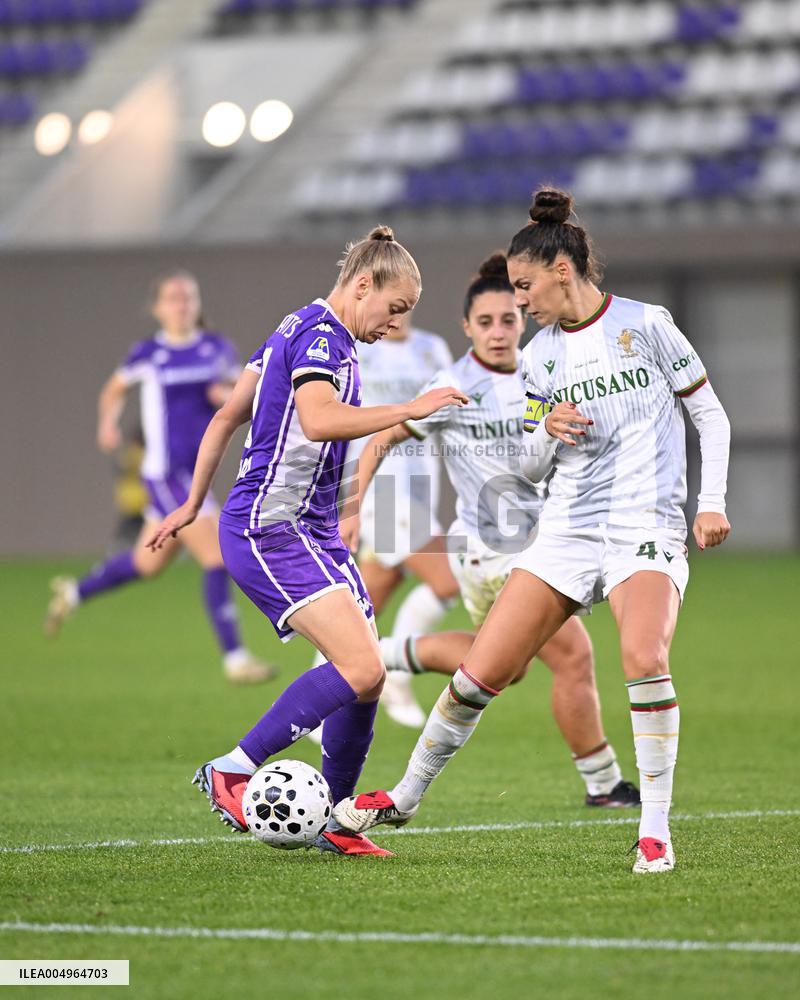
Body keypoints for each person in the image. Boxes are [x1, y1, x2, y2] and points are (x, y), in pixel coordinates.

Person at [333, 190, 732, 874]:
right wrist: (546, 432)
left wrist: (711, 500)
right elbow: (528, 461)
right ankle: (403, 795)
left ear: (561, 270)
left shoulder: (648, 324)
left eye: (525, 288)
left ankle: (655, 830)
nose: (520, 307)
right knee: (482, 673)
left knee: (641, 659)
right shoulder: (540, 358)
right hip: (566, 529)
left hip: (645, 523)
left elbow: (711, 416)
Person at [146, 228, 468, 857]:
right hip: (272, 530)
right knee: (361, 666)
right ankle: (232, 768)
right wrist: (412, 406)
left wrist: (193, 502)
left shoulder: (298, 327)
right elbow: (318, 419)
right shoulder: (321, 337)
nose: (395, 324)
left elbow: (224, 416)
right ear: (363, 284)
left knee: (367, 678)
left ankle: (337, 821)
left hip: (310, 531)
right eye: (395, 307)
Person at [340, 253, 638, 808]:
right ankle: (604, 784)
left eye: (508, 319)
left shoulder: (542, 371)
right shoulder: (455, 384)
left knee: (507, 666)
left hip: (536, 543)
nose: (498, 332)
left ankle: (383, 653)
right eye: (485, 322)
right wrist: (351, 510)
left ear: (522, 319)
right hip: (493, 549)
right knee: (571, 657)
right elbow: (381, 439)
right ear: (467, 328)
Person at [44, 270, 274, 685]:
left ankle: (74, 593)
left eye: (188, 297)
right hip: (166, 474)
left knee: (146, 564)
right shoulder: (148, 353)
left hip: (196, 470)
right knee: (218, 557)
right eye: (173, 298)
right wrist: (107, 424)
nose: (182, 304)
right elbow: (113, 390)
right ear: (157, 307)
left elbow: (237, 391)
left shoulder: (216, 348)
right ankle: (235, 658)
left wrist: (227, 396)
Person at [306, 310, 458, 734]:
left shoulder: (432, 349)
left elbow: (444, 418)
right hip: (379, 490)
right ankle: (396, 676)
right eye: (393, 303)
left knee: (366, 598)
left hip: (420, 489)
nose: (400, 311)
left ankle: (319, 701)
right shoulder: (358, 354)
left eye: (409, 301)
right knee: (449, 581)